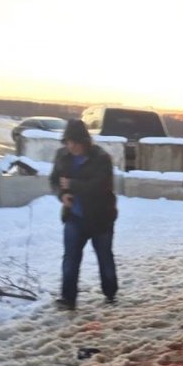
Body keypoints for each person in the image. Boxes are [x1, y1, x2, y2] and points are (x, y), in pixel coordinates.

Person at [50, 119, 118, 310]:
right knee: (70, 258)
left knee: (104, 257)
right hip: (74, 217)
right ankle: (68, 298)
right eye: (68, 142)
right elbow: (55, 181)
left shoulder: (101, 158)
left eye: (75, 142)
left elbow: (101, 186)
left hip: (100, 218)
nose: (71, 146)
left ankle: (110, 293)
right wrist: (62, 195)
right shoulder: (62, 156)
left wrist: (72, 185)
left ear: (85, 141)